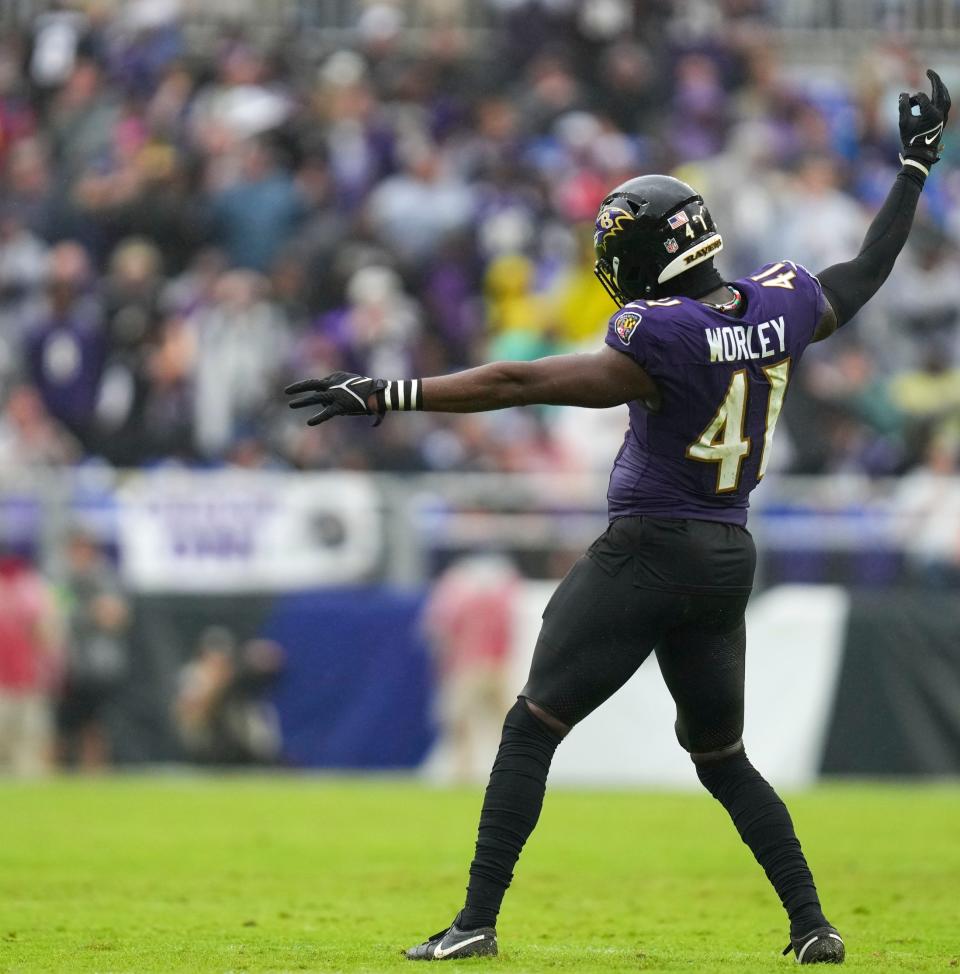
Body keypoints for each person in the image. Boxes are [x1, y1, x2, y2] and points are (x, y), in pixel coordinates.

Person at [284, 71, 950, 965]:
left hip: (646, 548)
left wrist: (386, 392)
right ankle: (812, 925)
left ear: (643, 255)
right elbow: (864, 273)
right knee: (721, 757)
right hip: (726, 553)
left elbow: (519, 382)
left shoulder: (656, 335)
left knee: (531, 726)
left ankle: (474, 924)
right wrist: (913, 166)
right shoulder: (778, 304)